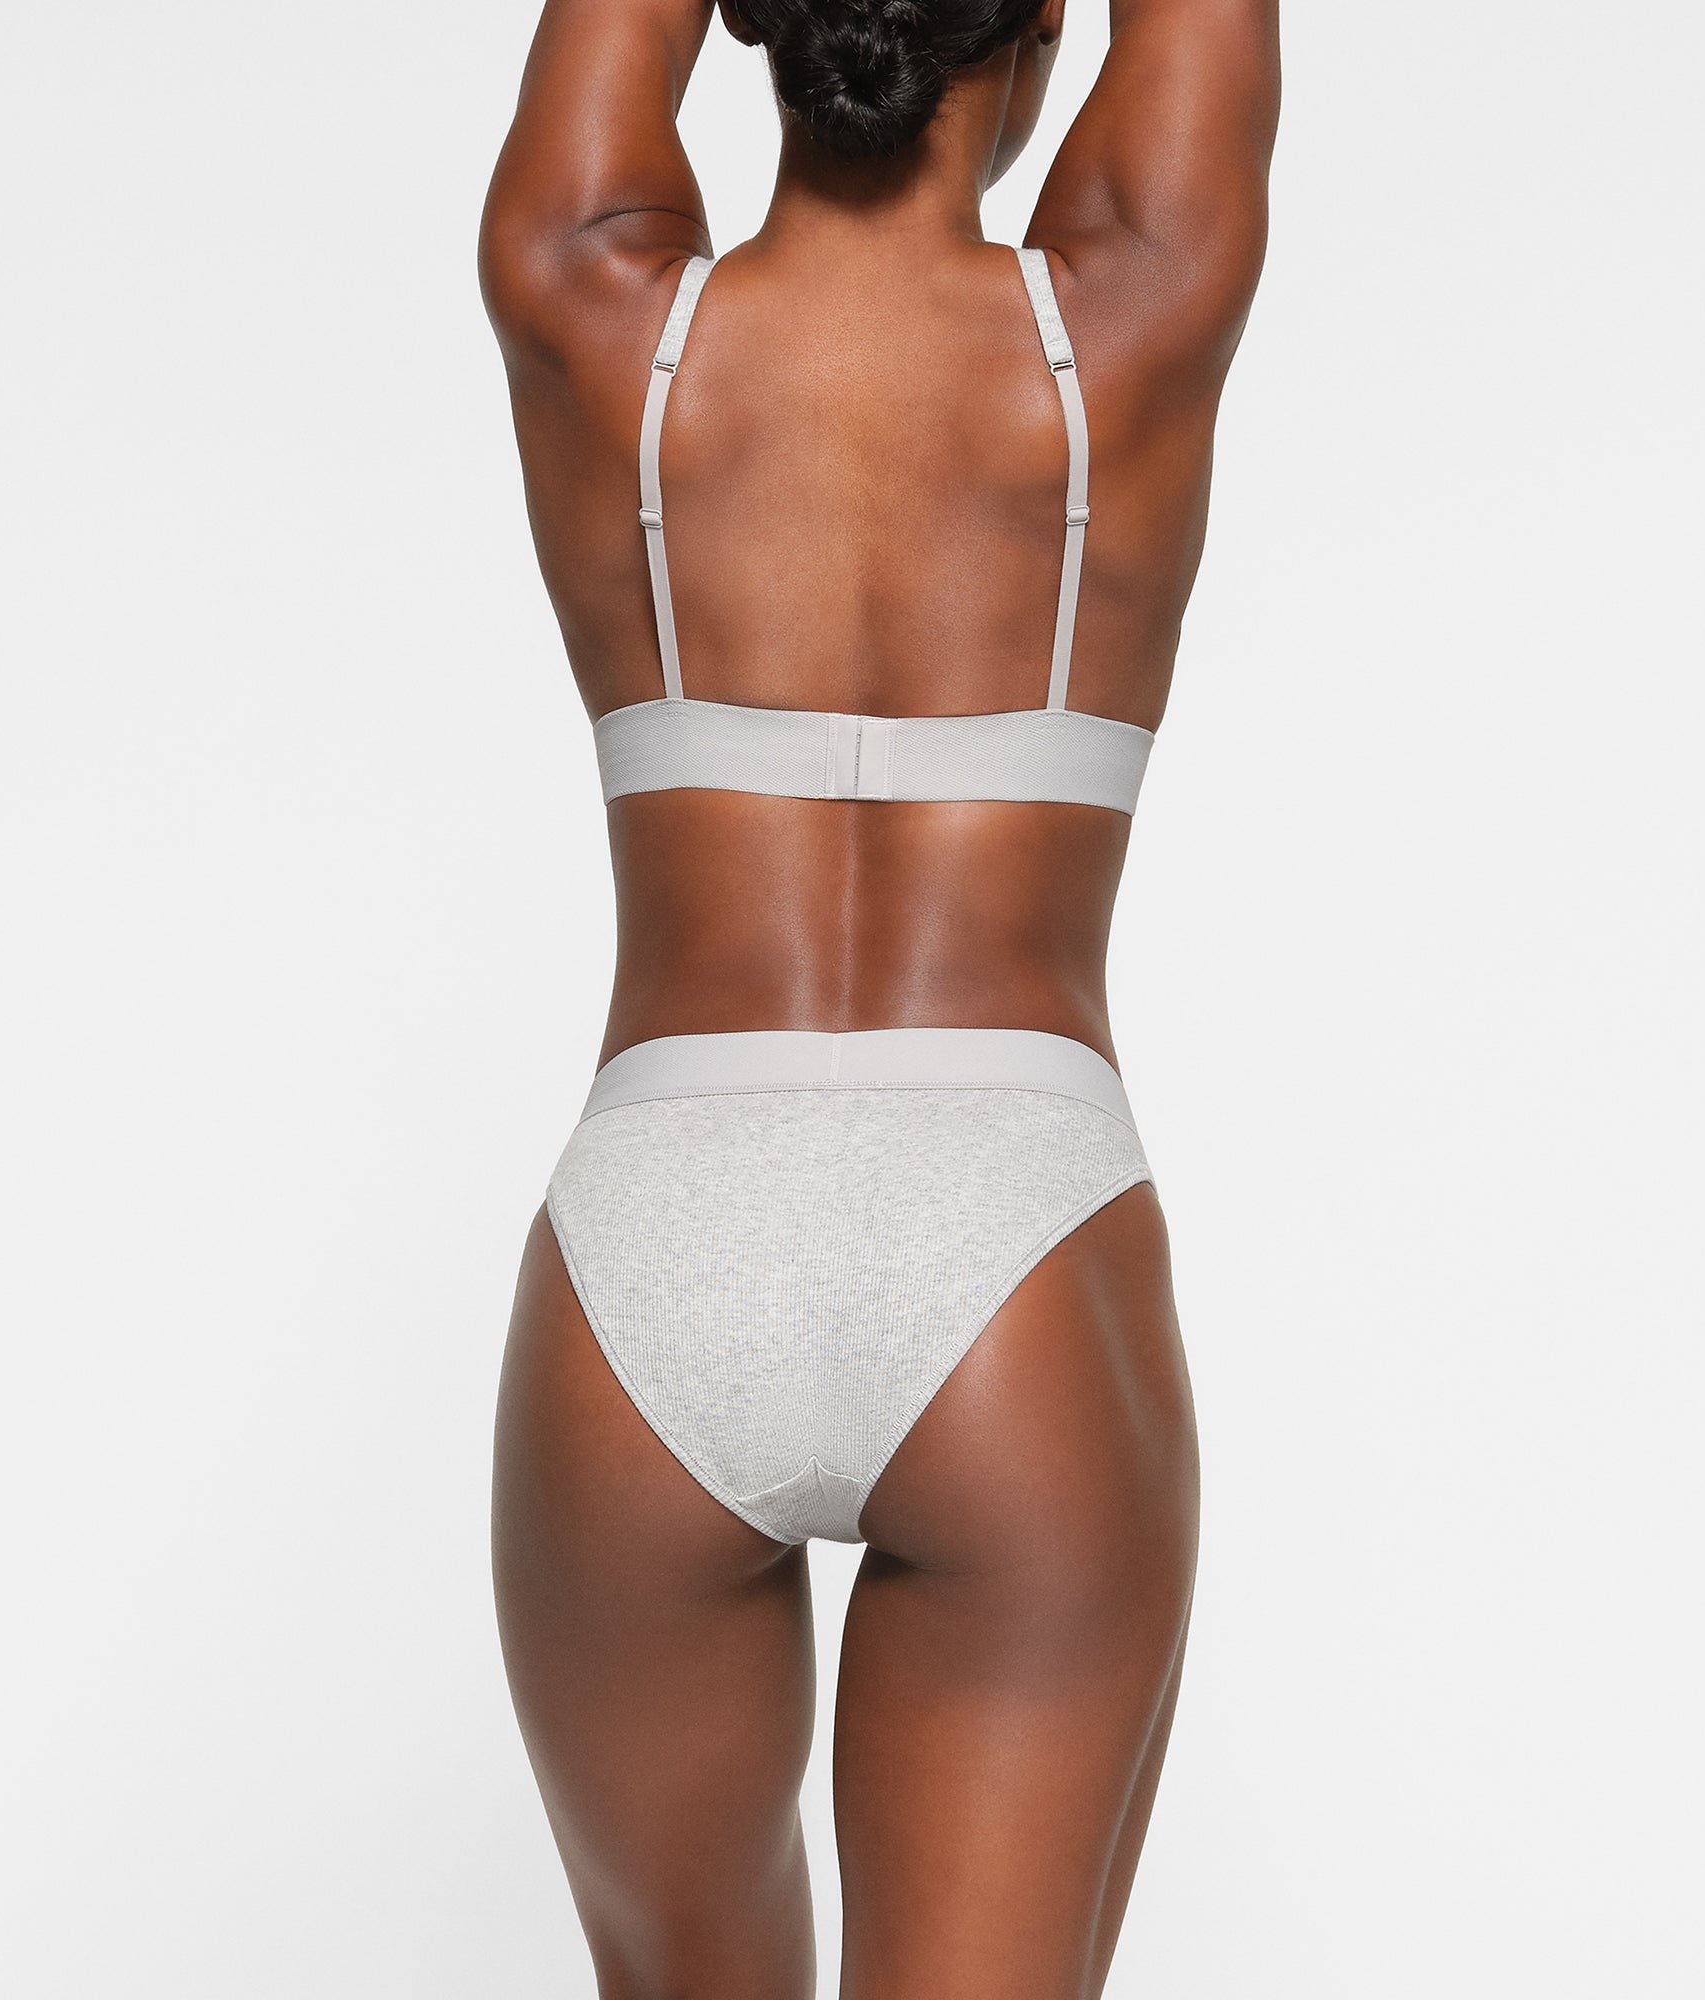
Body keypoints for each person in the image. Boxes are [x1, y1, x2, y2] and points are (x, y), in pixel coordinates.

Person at [478, 1, 1278, 1990]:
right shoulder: (1129, 317)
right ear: (1039, 25)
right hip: (1012, 1240)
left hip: (653, 1254)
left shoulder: (590, 303)